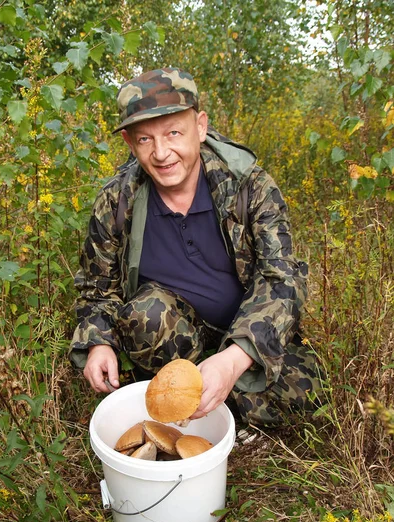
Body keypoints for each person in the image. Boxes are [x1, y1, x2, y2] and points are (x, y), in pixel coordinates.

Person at [69, 67, 322, 428]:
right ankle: (183, 406)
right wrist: (98, 343)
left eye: (174, 133)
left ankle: (225, 404)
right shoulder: (116, 201)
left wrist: (234, 360)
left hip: (246, 337)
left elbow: (282, 279)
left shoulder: (249, 185)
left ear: (200, 127)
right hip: (174, 335)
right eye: (145, 139)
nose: (161, 153)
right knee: (146, 314)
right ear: (129, 142)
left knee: (308, 401)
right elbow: (97, 290)